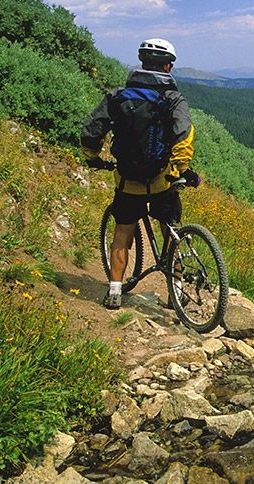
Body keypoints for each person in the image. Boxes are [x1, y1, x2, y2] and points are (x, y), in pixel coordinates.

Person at [81, 38, 199, 309]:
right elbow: (184, 135)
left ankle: (114, 291)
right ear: (168, 66)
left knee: (123, 230)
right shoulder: (172, 98)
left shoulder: (117, 96)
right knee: (171, 231)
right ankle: (176, 291)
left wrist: (93, 158)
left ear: (142, 63)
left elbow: (91, 131)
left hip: (127, 180)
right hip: (162, 180)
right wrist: (182, 170)